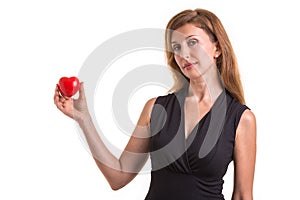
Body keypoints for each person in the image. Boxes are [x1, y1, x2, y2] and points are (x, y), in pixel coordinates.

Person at [54, 8, 256, 200]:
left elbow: (242, 195)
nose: (183, 54)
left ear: (217, 48)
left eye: (192, 42)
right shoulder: (155, 109)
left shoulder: (241, 119)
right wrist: (83, 118)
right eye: (176, 47)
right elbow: (118, 177)